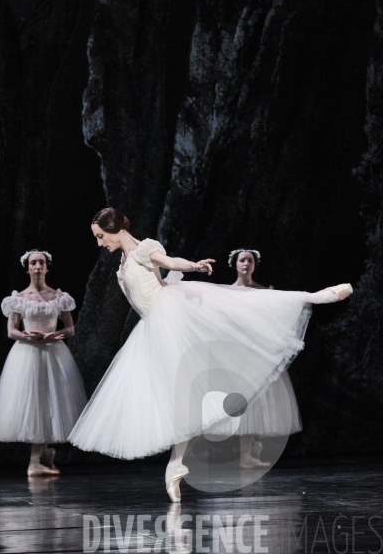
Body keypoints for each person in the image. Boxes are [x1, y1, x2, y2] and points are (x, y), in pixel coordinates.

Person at [69, 208, 353, 502]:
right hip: (154, 325)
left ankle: (312, 297)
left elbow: (168, 262)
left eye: (101, 236)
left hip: (171, 315)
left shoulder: (143, 249)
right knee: (175, 394)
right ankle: (176, 463)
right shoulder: (124, 261)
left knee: (237, 306)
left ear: (115, 229)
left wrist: (191, 265)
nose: (100, 242)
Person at [0, 250, 87, 476]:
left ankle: (43, 457)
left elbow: (70, 328)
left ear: (47, 267)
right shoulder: (18, 298)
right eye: (34, 263)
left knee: (49, 402)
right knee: (35, 403)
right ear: (28, 268)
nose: (38, 266)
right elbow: (12, 331)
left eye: (41, 262)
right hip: (27, 354)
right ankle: (36, 461)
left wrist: (52, 335)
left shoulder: (59, 297)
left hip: (53, 353)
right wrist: (27, 336)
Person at [228, 248, 303, 469]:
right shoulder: (228, 292)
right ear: (235, 264)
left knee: (262, 402)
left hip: (260, 351)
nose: (245, 264)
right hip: (240, 352)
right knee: (246, 403)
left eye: (249, 261)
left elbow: (274, 320)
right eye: (242, 260)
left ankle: (250, 452)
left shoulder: (264, 291)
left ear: (254, 264)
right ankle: (246, 454)